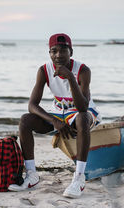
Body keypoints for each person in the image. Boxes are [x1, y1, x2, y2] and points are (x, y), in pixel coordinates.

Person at [8, 33, 101, 198]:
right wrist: (54, 121)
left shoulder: (83, 70)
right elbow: (32, 105)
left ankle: (79, 178)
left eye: (63, 50)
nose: (58, 55)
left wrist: (70, 77)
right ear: (49, 53)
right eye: (54, 51)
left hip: (82, 114)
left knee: (82, 117)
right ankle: (32, 175)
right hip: (58, 113)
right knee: (25, 121)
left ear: (71, 52)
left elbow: (82, 107)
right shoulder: (44, 70)